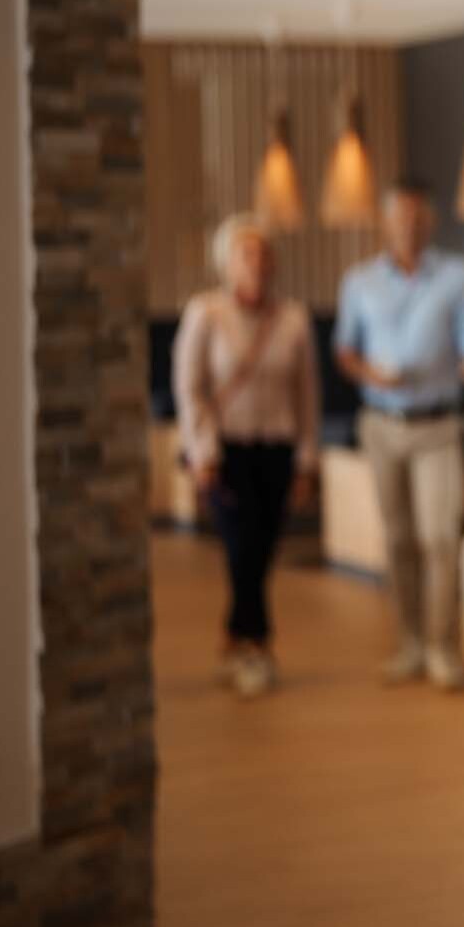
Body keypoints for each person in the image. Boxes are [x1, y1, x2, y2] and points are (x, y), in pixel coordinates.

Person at [333, 180, 464, 689]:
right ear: (384, 223)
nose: (408, 225)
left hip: (438, 425)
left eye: (416, 217)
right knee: (399, 539)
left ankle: (442, 648)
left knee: (440, 538)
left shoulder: (458, 278)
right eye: (399, 217)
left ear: (429, 223)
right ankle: (409, 643)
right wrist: (369, 374)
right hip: (382, 424)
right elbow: (345, 350)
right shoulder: (359, 282)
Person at [174, 213, 320, 699]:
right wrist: (203, 452)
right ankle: (257, 645)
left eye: (263, 254)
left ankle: (234, 636)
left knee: (263, 548)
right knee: (242, 546)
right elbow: (190, 389)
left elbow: (307, 396)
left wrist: (306, 459)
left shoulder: (293, 319)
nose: (256, 263)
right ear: (227, 262)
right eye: (246, 254)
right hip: (227, 450)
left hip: (276, 448)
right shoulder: (206, 313)